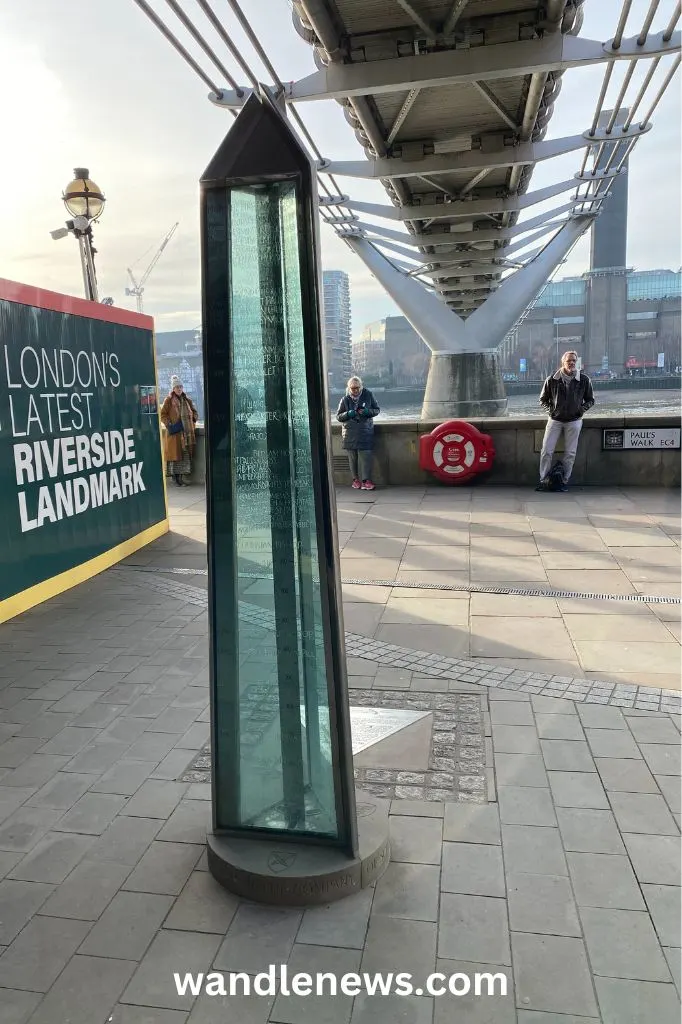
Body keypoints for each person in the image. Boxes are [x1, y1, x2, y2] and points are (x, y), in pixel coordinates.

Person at [537, 350, 595, 492]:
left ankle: (563, 481)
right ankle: (544, 479)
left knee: (570, 453)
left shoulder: (584, 380)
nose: (572, 363)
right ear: (563, 362)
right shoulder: (552, 379)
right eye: (569, 360)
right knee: (546, 451)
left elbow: (591, 400)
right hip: (555, 420)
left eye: (574, 361)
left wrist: (580, 410)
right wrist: (552, 410)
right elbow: (542, 400)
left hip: (574, 420)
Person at [336, 376, 380, 490]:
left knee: (366, 456)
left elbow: (377, 410)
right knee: (352, 458)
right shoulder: (345, 399)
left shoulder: (368, 395)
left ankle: (366, 481)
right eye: (352, 388)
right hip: (349, 433)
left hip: (365, 431)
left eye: (357, 388)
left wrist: (366, 412)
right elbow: (339, 416)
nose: (355, 390)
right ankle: (355, 480)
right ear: (349, 388)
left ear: (361, 386)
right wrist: (348, 414)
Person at [160, 375, 199, 487]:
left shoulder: (187, 400)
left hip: (186, 434)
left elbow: (195, 412)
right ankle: (176, 479)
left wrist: (192, 419)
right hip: (175, 434)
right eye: (177, 387)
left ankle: (181, 478)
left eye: (181, 387)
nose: (179, 389)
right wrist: (169, 425)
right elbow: (163, 415)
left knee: (184, 456)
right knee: (176, 457)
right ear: (173, 388)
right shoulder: (168, 400)